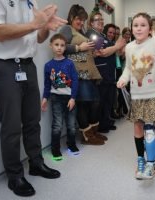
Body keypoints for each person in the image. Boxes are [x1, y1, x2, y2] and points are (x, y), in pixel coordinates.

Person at [0, 1, 66, 197]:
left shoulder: (31, 1)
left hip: (27, 65)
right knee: (12, 126)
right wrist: (35, 24)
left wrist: (45, 27)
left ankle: (36, 163)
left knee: (33, 120)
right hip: (3, 66)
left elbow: (38, 38)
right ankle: (14, 176)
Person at [117, 12, 155, 180]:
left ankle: (151, 164)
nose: (138, 28)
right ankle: (141, 159)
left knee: (149, 130)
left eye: (143, 25)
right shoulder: (129, 47)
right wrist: (123, 79)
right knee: (137, 128)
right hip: (136, 96)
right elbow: (128, 68)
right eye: (135, 25)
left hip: (152, 94)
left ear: (150, 29)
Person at [60, 4, 106, 145]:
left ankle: (93, 132)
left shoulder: (80, 32)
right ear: (71, 18)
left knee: (94, 102)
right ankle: (87, 135)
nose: (81, 22)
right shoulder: (67, 29)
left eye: (83, 19)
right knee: (85, 104)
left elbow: (82, 53)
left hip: (88, 73)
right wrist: (80, 47)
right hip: (78, 74)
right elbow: (60, 46)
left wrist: (92, 52)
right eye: (78, 19)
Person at [86, 9, 126, 133]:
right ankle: (101, 125)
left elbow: (112, 51)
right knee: (101, 101)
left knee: (108, 100)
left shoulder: (102, 36)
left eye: (102, 19)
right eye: (97, 20)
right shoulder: (92, 35)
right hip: (101, 73)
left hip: (109, 73)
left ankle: (107, 122)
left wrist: (117, 48)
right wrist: (117, 46)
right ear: (91, 23)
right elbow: (101, 53)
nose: (101, 22)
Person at [41, 33, 79, 160]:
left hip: (70, 99)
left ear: (65, 47)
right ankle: (55, 149)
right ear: (51, 46)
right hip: (56, 98)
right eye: (56, 45)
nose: (59, 48)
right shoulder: (48, 65)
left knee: (71, 124)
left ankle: (71, 145)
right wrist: (45, 98)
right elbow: (47, 84)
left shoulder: (69, 63)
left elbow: (75, 81)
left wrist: (73, 98)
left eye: (62, 45)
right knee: (57, 124)